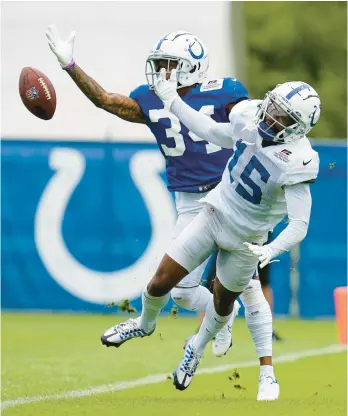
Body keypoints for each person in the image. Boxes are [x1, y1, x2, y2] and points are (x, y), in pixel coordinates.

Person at [46, 27, 276, 396]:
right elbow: (106, 100)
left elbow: (259, 125)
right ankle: (207, 315)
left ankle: (260, 368)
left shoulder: (227, 92)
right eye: (159, 64)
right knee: (182, 293)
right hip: (188, 202)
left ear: (192, 67)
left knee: (248, 288)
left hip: (231, 199)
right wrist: (70, 65)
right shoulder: (150, 98)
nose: (162, 71)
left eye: (170, 64)